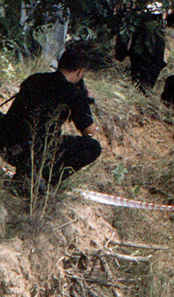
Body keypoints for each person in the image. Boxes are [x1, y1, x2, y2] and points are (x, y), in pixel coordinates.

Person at [0, 43, 102, 191]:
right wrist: (84, 102)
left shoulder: (35, 79)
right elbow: (89, 133)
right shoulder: (74, 94)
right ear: (80, 72)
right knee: (93, 147)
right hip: (36, 153)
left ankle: (28, 175)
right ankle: (42, 179)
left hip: (7, 144)